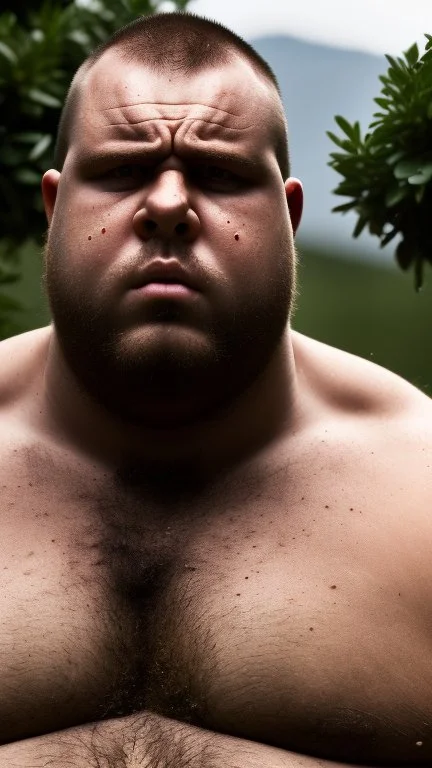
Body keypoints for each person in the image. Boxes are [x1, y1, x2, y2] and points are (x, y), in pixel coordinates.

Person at [0, 11, 431, 768]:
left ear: (290, 219)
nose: (168, 205)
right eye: (124, 170)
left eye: (223, 175)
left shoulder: (420, 488)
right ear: (54, 207)